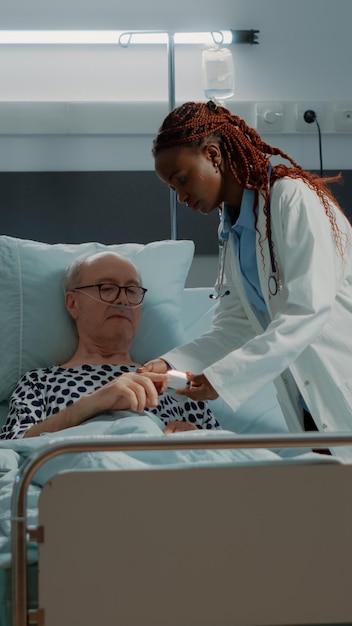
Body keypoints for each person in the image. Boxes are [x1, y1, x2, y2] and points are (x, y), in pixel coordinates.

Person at [143, 100, 352, 461]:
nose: (182, 197)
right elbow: (237, 325)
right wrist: (169, 363)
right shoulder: (235, 230)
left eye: (182, 179)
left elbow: (308, 309)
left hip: (339, 378)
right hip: (307, 403)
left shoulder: (292, 198)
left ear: (213, 155)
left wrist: (222, 378)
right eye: (173, 188)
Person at [0, 251, 220, 440]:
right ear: (73, 303)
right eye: (107, 288)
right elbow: (13, 446)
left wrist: (196, 437)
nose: (123, 300)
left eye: (132, 290)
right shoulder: (39, 382)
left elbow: (229, 455)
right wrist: (91, 404)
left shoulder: (177, 385)